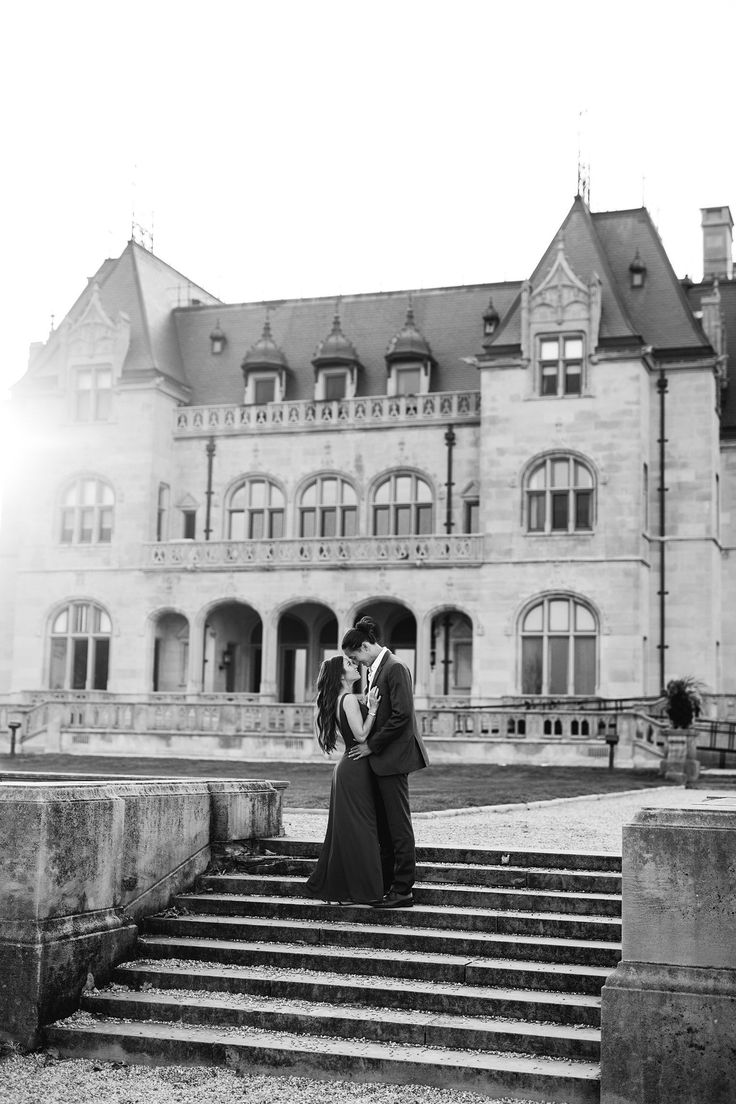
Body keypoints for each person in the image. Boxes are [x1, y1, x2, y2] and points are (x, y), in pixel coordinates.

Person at [342, 616, 429, 909]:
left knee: (398, 826)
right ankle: (386, 884)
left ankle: (403, 889)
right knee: (385, 827)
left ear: (365, 646)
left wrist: (370, 746)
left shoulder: (395, 667)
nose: (358, 664)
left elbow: (402, 716)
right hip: (383, 760)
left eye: (356, 657)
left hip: (392, 758)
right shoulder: (378, 670)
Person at [305, 654, 384, 905]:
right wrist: (372, 710)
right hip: (355, 767)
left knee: (349, 832)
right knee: (362, 829)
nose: (356, 665)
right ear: (340, 675)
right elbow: (361, 735)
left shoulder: (342, 698)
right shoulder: (348, 699)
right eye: (350, 664)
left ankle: (348, 890)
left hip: (348, 767)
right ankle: (364, 891)